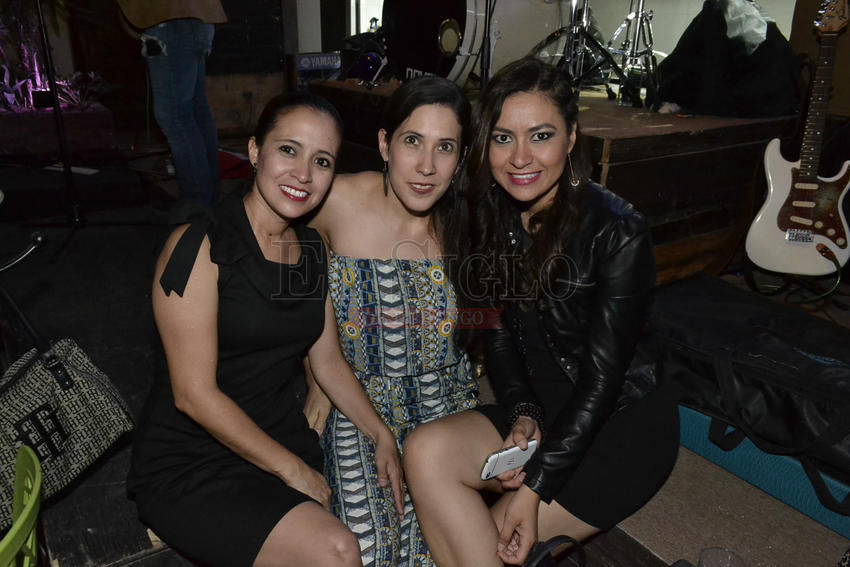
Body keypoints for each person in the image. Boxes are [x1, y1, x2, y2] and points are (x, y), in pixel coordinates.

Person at [402, 57, 680, 566]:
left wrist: (534, 488)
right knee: (424, 448)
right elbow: (496, 332)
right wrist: (522, 412)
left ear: (571, 137)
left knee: (480, 546)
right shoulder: (491, 212)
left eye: (541, 136)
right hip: (544, 412)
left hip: (618, 427)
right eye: (503, 138)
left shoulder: (617, 230)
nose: (520, 158)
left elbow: (602, 381)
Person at [127, 92, 404, 567]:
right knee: (338, 550)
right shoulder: (198, 247)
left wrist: (381, 433)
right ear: (255, 151)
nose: (303, 174)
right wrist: (293, 471)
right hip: (191, 458)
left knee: (380, 529)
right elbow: (193, 395)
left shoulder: (312, 250)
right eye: (288, 150)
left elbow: (327, 361)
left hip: (278, 434)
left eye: (322, 161)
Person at [307, 76, 480, 566]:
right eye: (412, 142)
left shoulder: (469, 223)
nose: (427, 166)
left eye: (445, 147)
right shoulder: (333, 200)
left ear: (461, 159)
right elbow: (288, 270)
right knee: (368, 550)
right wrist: (317, 376)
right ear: (385, 144)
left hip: (444, 404)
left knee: (432, 554)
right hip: (356, 399)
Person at [117, 0, 225, 211]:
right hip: (198, 16)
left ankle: (196, 209)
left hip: (169, 20)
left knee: (175, 116)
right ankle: (209, 201)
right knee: (195, 111)